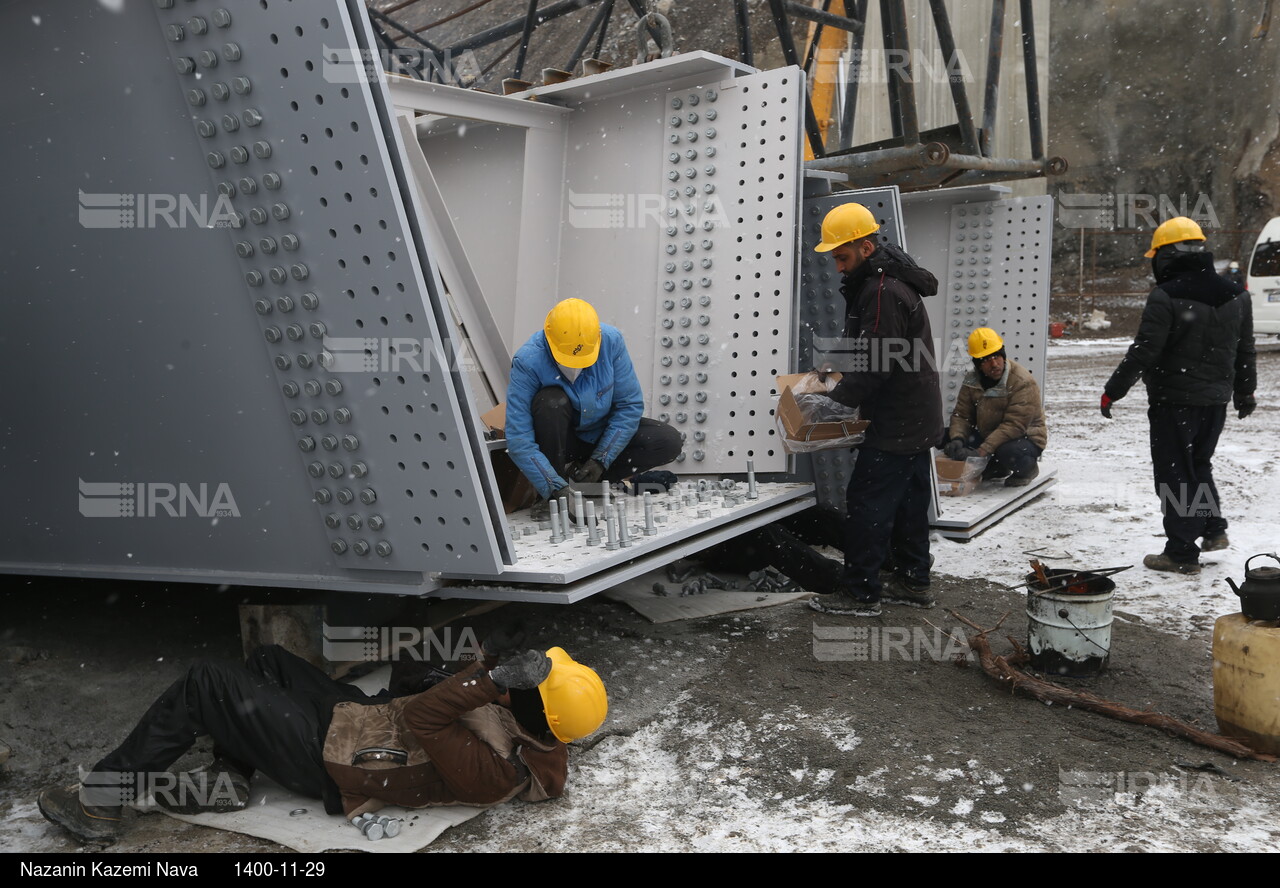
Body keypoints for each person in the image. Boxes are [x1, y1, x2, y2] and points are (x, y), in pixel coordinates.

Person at [37, 644, 607, 844]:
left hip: (333, 763)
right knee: (267, 662)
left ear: (530, 705)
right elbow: (426, 696)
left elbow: (430, 719)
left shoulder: (497, 772)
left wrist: (489, 680)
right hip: (367, 722)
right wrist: (488, 667)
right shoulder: (539, 727)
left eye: (530, 684)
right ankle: (231, 776)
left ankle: (99, 800)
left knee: (206, 682)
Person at [805, 202, 943, 617]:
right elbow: (872, 347)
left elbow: (878, 362)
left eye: (842, 257)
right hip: (916, 414)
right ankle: (913, 579)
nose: (838, 267)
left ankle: (861, 592)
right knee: (908, 503)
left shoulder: (882, 291)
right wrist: (838, 364)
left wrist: (830, 403)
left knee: (868, 503)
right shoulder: (886, 282)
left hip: (897, 419)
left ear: (865, 248)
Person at [1101, 216, 1257, 574]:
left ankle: (1181, 552)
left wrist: (1113, 391)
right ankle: (1213, 529)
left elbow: (1144, 351)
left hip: (1175, 400)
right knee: (1197, 465)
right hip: (1214, 402)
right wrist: (1244, 394)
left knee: (1175, 475)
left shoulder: (1166, 296)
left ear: (1166, 256)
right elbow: (1245, 350)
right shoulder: (1237, 294)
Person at [506, 298, 682, 518]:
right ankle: (554, 495)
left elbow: (629, 406)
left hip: (600, 437)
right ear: (550, 338)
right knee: (550, 401)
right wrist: (553, 486)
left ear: (597, 336)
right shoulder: (528, 360)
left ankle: (588, 483)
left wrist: (601, 459)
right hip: (561, 442)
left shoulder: (611, 341)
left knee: (667, 441)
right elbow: (519, 438)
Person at [943, 327, 1048, 487]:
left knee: (1008, 452)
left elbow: (1014, 426)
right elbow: (962, 415)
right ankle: (998, 467)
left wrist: (980, 452)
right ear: (977, 364)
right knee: (944, 436)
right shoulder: (972, 380)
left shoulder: (1021, 381)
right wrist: (957, 438)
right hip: (991, 435)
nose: (994, 364)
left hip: (1024, 438)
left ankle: (1028, 469)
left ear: (1003, 355)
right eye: (986, 359)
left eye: (996, 356)